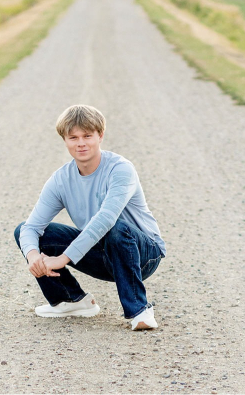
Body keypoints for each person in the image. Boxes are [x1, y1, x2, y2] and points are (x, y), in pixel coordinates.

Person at [14, 104, 166, 331]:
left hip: (143, 254)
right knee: (25, 230)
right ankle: (71, 300)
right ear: (64, 140)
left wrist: (63, 258)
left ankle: (139, 310)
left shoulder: (120, 169)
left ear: (100, 136)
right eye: (73, 137)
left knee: (115, 227)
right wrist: (33, 255)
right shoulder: (61, 180)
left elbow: (106, 219)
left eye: (87, 135)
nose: (81, 143)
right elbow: (31, 227)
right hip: (102, 254)